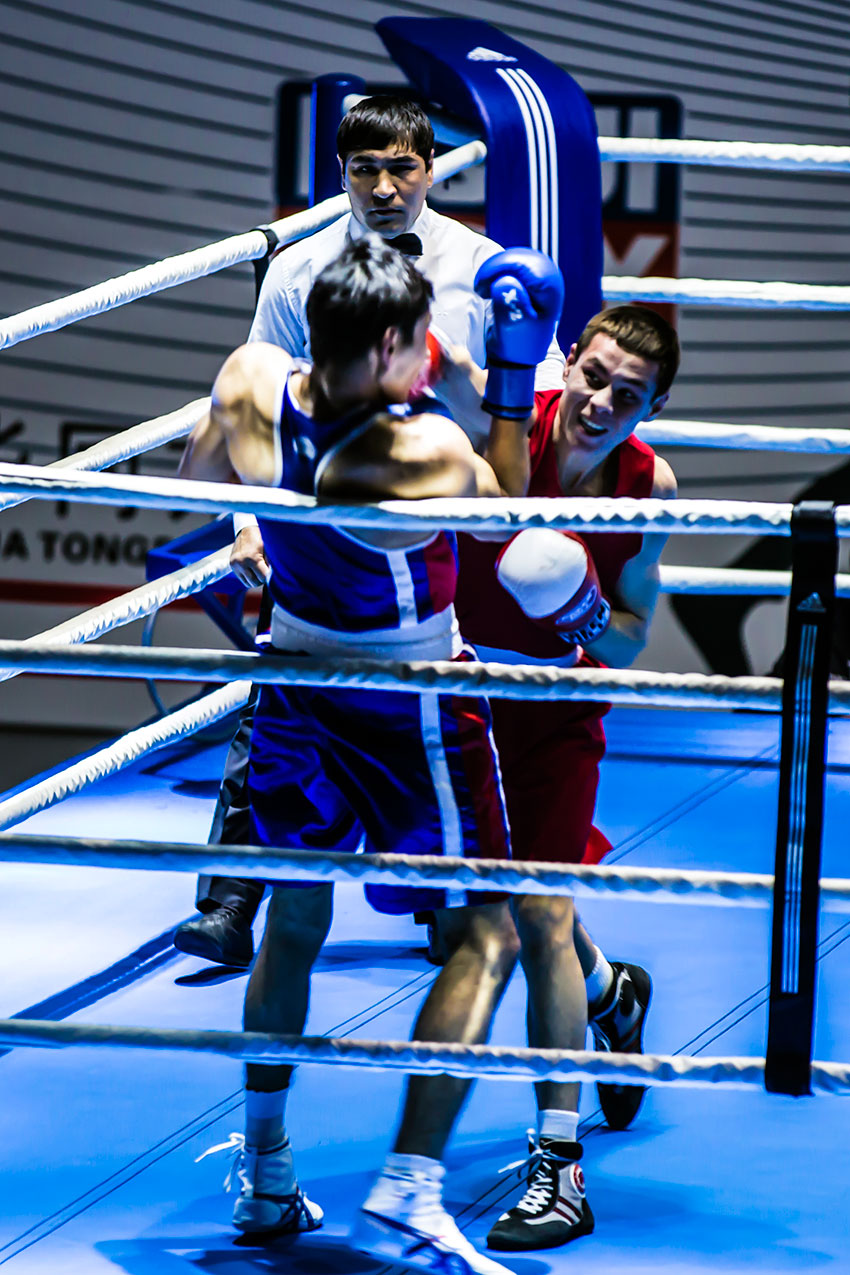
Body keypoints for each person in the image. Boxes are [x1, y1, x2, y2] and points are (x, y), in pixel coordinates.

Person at [182, 236, 564, 1275]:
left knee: (295, 918)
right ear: (393, 342)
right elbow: (520, 534)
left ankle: (265, 1176)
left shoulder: (251, 378)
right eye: (420, 346)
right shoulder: (418, 453)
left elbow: (195, 498)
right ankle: (407, 1193)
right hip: (406, 698)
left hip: (293, 674)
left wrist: (261, 546)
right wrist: (516, 375)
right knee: (484, 931)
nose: (433, 357)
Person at [174, 93, 564, 967]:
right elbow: (249, 401)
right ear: (341, 172)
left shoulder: (484, 265)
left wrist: (496, 385)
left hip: (433, 501)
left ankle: (452, 907)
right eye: (364, 170)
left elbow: (523, 419)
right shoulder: (296, 271)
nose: (384, 187)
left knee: (410, 698)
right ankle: (236, 895)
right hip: (318, 494)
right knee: (289, 669)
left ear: (433, 167)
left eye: (403, 168)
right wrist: (250, 520)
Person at [444, 303, 679, 1253]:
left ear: (652, 405)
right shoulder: (498, 422)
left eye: (628, 394)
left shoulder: (648, 485)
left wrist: (581, 612)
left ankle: (558, 1165)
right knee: (491, 905)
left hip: (556, 716)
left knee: (533, 914)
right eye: (594, 374)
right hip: (458, 696)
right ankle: (613, 991)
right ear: (570, 357)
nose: (602, 401)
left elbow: (630, 633)